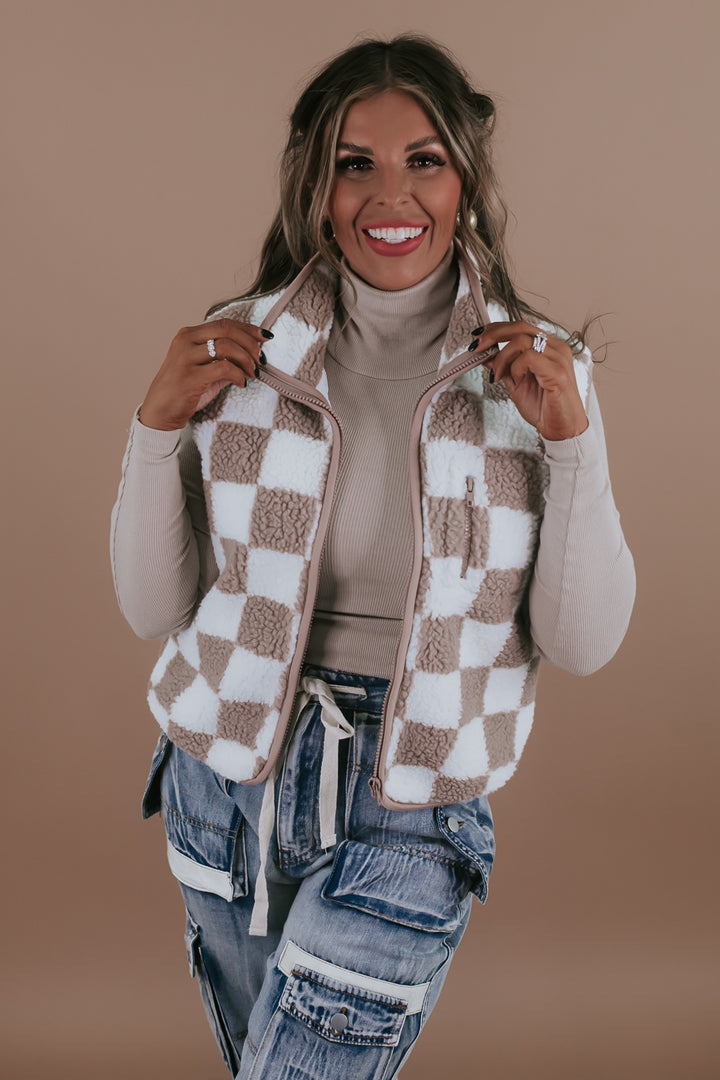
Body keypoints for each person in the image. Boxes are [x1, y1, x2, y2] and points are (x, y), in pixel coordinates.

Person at [111, 34, 635, 1080]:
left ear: (465, 179)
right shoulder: (239, 355)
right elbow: (151, 607)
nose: (391, 195)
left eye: (423, 160)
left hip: (413, 795)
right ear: (318, 185)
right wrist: (155, 428)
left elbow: (581, 642)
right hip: (227, 780)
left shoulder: (539, 377)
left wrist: (573, 448)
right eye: (357, 163)